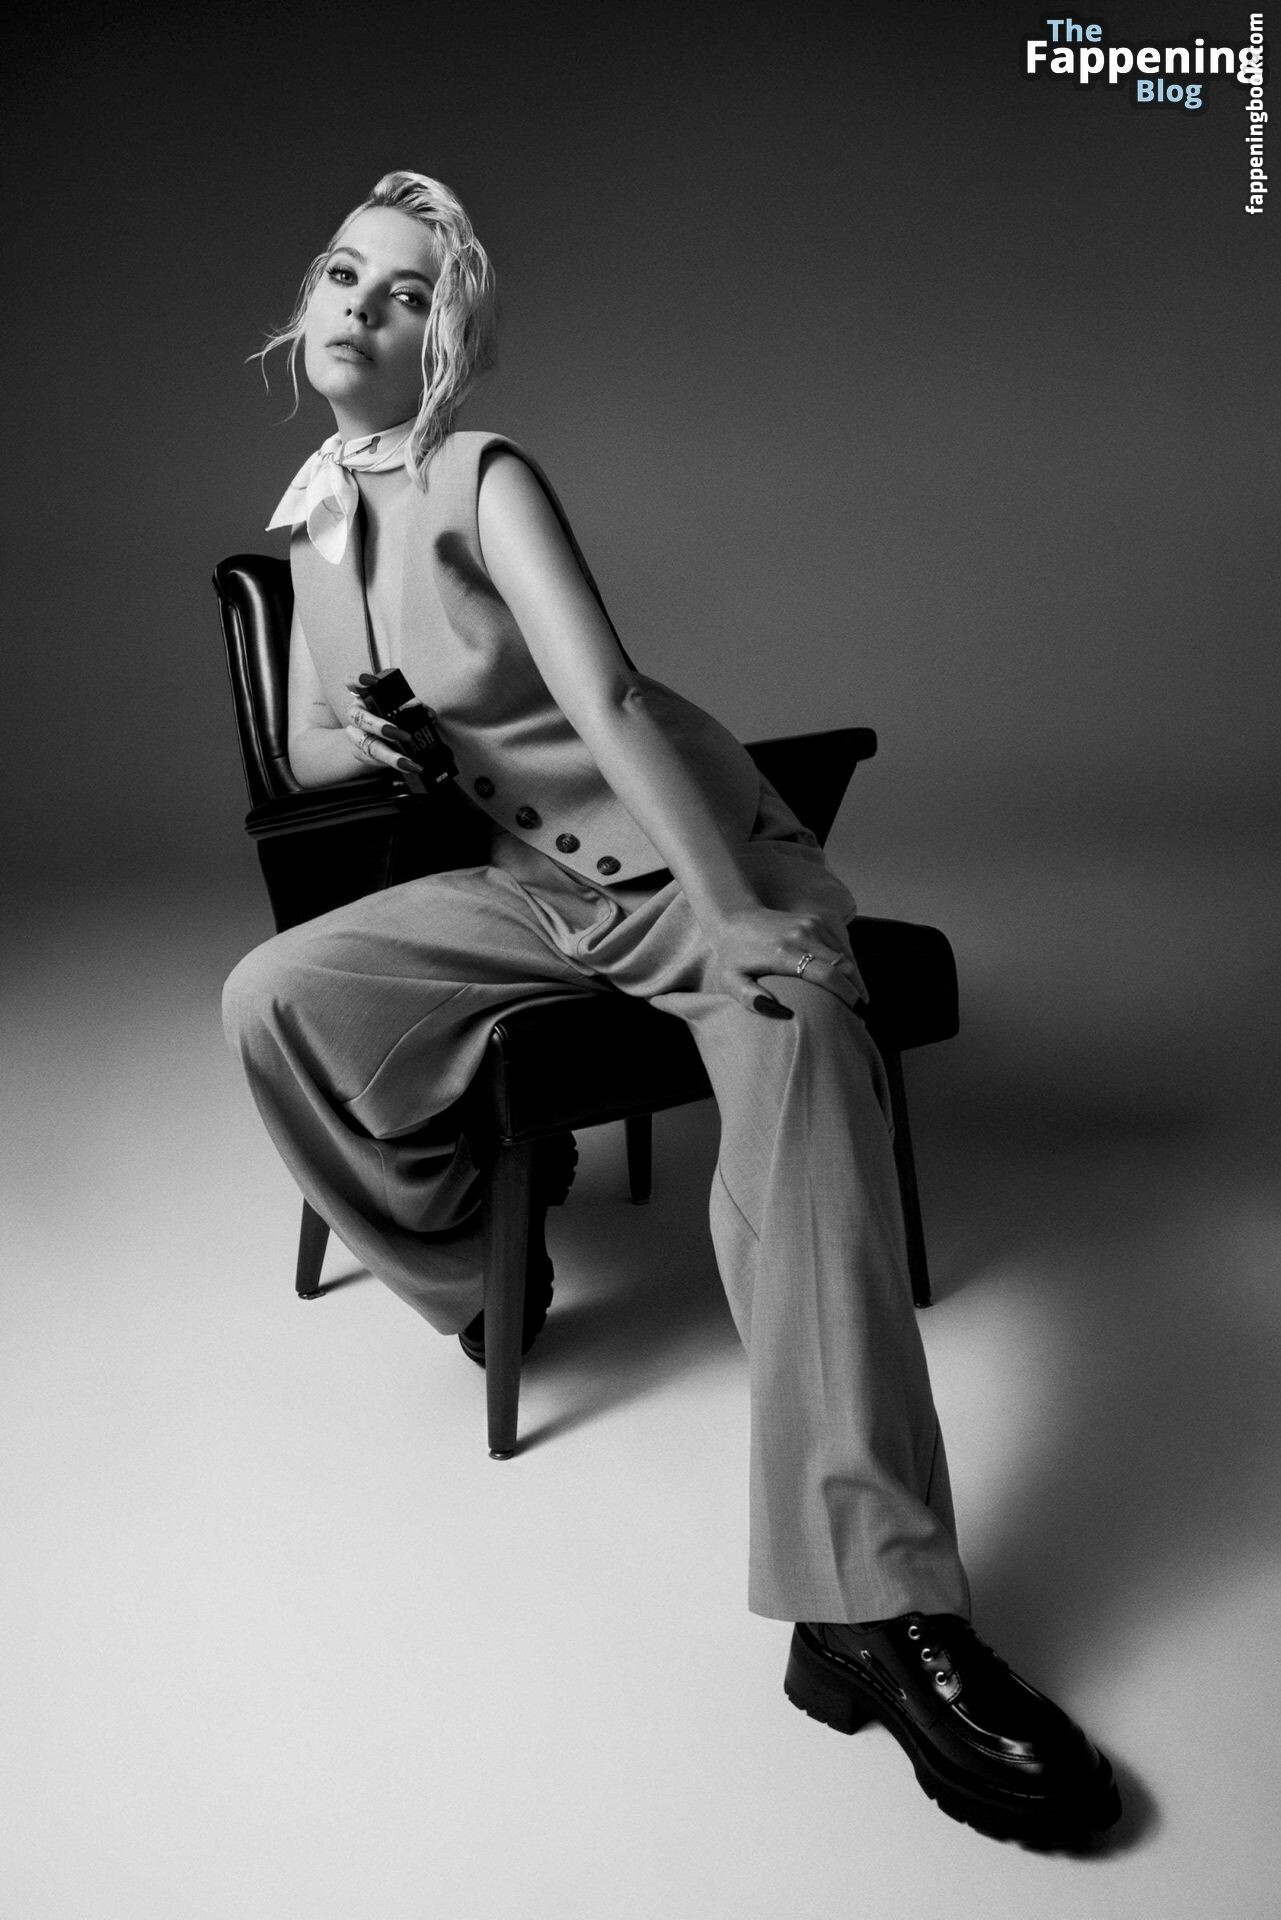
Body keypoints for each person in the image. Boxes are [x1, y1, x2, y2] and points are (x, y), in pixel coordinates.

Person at [222, 170, 1121, 1846]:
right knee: (272, 999)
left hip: (695, 862)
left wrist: (736, 917)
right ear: (307, 304)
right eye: (343, 274)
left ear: (443, 342)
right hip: (534, 886)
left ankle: (872, 1610)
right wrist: (396, 735)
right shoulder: (320, 520)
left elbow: (611, 694)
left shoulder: (485, 475)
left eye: (405, 294)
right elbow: (312, 743)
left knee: (799, 1068)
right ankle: (478, 1271)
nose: (361, 306)